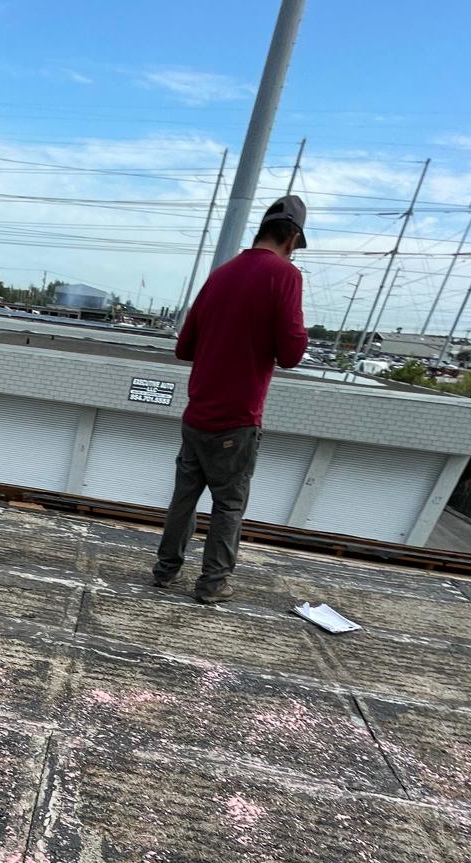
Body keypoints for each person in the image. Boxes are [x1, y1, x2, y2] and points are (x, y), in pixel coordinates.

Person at [153, 195, 309, 604]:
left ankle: (164, 571)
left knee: (184, 499)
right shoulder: (286, 276)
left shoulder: (220, 275)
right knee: (228, 506)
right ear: (292, 237)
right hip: (237, 420)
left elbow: (183, 347)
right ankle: (212, 585)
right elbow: (292, 355)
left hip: (197, 413)